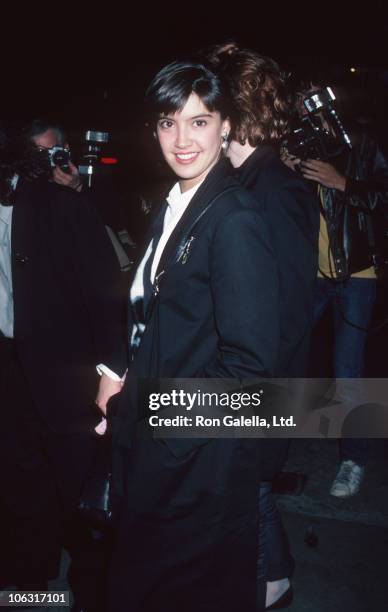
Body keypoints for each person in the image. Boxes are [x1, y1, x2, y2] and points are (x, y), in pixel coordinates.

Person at [96, 60, 280, 612]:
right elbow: (149, 311)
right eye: (167, 122)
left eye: (199, 122)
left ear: (226, 126)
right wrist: (113, 374)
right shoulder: (176, 202)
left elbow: (248, 376)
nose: (181, 139)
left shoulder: (235, 218)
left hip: (192, 470)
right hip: (157, 455)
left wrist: (143, 414)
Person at [205, 43, 319, 609]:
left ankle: (270, 584)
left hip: (262, 385)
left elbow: (292, 311)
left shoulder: (275, 188)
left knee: (245, 487)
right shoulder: (243, 181)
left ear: (236, 112)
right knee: (242, 492)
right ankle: (273, 579)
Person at [0, 122, 127, 611]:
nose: (57, 163)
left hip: (71, 374)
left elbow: (106, 295)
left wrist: (110, 373)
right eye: (46, 156)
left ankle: (92, 596)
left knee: (85, 502)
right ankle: (31, 593)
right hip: (11, 374)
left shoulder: (64, 206)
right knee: (22, 497)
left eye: (61, 154)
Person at [282, 82, 388, 498]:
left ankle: (354, 459)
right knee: (283, 354)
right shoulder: (302, 146)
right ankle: (262, 446)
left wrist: (343, 182)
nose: (308, 113)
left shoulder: (362, 145)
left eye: (314, 104)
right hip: (310, 276)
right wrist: (287, 169)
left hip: (357, 275)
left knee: (348, 373)